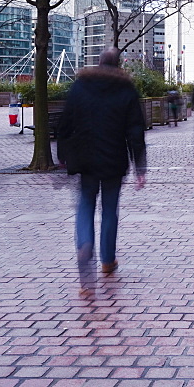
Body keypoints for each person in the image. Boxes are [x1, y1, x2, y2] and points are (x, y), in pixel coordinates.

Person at [57, 47, 146, 283]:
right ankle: (107, 260)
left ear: (98, 62)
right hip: (113, 159)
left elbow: (65, 122)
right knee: (109, 210)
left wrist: (62, 154)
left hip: (85, 158)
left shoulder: (80, 86)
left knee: (85, 203)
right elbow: (135, 130)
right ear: (119, 64)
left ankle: (85, 244)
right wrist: (140, 166)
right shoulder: (126, 89)